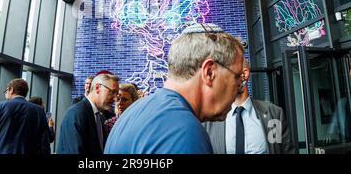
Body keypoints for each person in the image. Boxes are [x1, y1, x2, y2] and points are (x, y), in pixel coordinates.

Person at [104, 23, 245, 154]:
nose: (240, 88)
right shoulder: (184, 133)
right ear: (209, 72)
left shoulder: (133, 112)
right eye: (237, 77)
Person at [204, 61, 295, 154]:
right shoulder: (210, 119)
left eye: (226, 73)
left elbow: (283, 150)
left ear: (244, 74)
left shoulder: (274, 114)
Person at [57, 73, 120, 154]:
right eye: (112, 92)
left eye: (116, 94)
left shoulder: (99, 116)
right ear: (97, 88)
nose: (115, 98)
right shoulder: (77, 113)